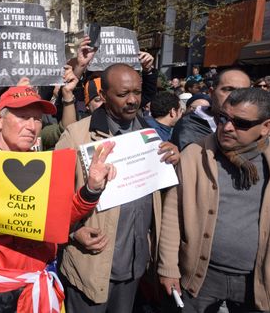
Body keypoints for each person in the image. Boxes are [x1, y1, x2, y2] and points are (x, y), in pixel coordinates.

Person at [0, 86, 116, 312]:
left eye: (38, 119)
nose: (32, 127)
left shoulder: (47, 167)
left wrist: (91, 189)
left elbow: (61, 219)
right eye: (22, 117)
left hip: (38, 292)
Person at [56, 63, 180, 313]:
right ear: (103, 96)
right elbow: (53, 199)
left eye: (137, 91)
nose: (133, 100)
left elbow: (165, 201)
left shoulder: (152, 135)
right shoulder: (76, 136)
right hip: (90, 268)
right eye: (123, 94)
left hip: (134, 267)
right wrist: (72, 233)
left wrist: (173, 160)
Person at [158, 88, 270, 313]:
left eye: (241, 123)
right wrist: (168, 267)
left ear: (266, 126)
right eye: (223, 118)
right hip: (200, 279)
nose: (227, 127)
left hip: (258, 282)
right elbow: (172, 214)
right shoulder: (194, 154)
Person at [171, 68, 251, 151]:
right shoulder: (189, 126)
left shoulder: (256, 124)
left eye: (243, 92)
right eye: (228, 90)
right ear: (212, 93)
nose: (236, 96)